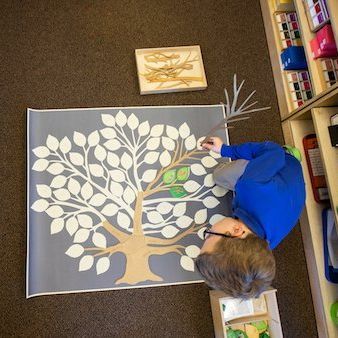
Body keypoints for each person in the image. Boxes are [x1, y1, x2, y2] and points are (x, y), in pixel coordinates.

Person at [195, 137, 305, 299]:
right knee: (219, 175)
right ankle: (291, 152)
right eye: (210, 235)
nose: (209, 231)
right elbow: (273, 151)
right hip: (284, 163)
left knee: (223, 178)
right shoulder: (249, 184)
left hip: (291, 193)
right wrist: (225, 150)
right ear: (237, 230)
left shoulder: (262, 246)